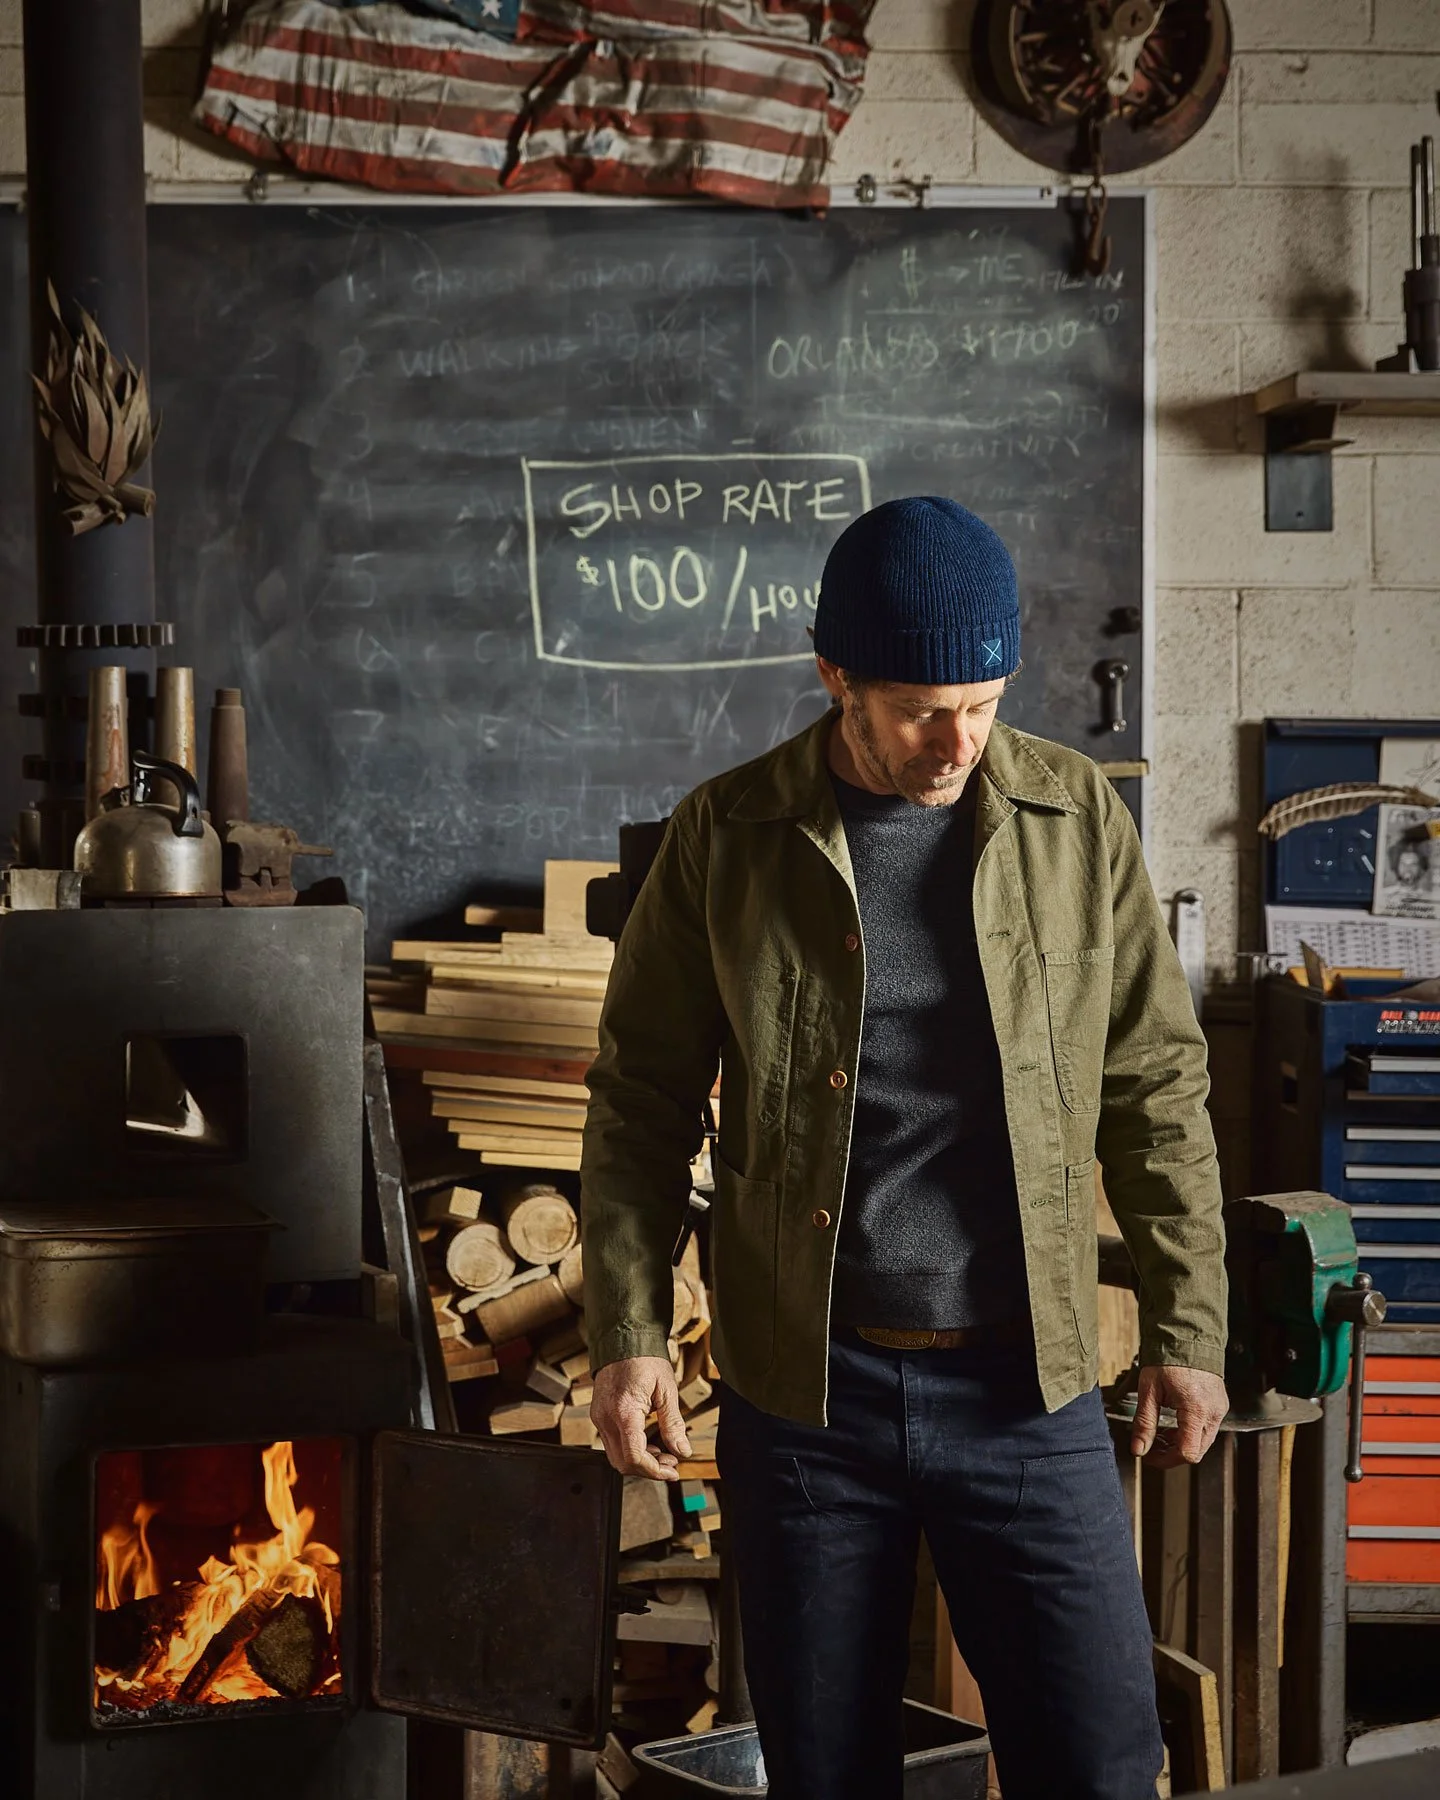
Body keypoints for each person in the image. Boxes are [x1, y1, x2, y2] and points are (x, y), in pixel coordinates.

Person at [580, 496, 1229, 1800]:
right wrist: (630, 1331)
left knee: (1102, 1762)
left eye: (983, 705)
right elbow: (641, 1100)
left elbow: (1154, 1079)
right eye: (925, 710)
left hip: (1025, 1385)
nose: (958, 742)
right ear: (838, 681)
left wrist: (1189, 1320)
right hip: (807, 1396)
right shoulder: (729, 837)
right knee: (825, 1771)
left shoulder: (1073, 819)